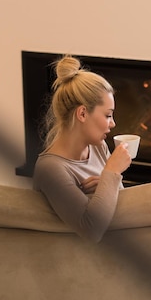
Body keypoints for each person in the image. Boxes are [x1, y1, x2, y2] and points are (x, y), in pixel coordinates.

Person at [33, 55, 133, 242]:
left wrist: (105, 183)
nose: (113, 124)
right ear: (82, 113)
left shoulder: (99, 147)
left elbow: (121, 205)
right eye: (108, 115)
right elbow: (91, 230)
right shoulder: (51, 168)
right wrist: (112, 171)